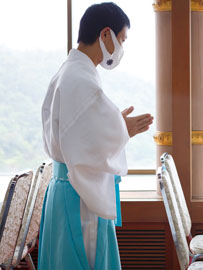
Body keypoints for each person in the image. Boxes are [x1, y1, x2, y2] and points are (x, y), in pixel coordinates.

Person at [39, 2, 153, 269]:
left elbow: (79, 132)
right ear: (105, 35)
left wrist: (115, 124)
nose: (122, 48)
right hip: (79, 194)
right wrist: (122, 129)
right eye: (121, 39)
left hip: (65, 187)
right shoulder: (81, 79)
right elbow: (86, 145)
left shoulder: (70, 70)